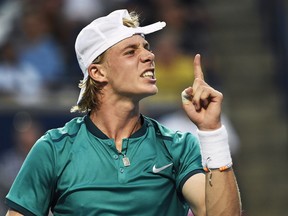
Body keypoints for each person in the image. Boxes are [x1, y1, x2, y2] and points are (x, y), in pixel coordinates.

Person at [5, 9, 241, 216]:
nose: (149, 56)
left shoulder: (178, 146)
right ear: (98, 73)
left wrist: (212, 132)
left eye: (146, 48)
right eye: (131, 51)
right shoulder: (53, 149)